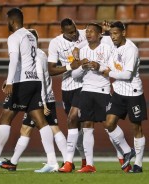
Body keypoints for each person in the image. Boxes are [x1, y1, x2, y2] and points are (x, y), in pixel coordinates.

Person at [0, 8, 58, 173]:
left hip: (23, 83)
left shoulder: (14, 37)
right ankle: (52, 161)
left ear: (12, 21)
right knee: (41, 121)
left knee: (5, 117)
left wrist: (11, 81)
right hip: (34, 82)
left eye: (7, 21)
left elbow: (13, 60)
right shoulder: (30, 36)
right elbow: (26, 59)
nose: (7, 24)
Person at [0, 29, 67, 173]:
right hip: (43, 97)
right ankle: (13, 162)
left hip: (41, 98)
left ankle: (62, 161)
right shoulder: (36, 55)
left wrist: (42, 102)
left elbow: (40, 79)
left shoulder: (37, 56)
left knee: (51, 128)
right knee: (30, 128)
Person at [102, 21, 147, 173]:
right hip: (118, 92)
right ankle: (128, 151)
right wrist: (107, 30)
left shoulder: (131, 49)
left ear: (124, 33)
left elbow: (127, 75)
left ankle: (138, 164)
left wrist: (108, 73)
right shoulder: (114, 43)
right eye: (111, 34)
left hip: (133, 93)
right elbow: (103, 37)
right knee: (109, 124)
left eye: (116, 34)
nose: (112, 37)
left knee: (136, 128)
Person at [47, 18, 87, 173]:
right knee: (75, 126)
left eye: (75, 30)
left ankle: (68, 162)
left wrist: (104, 29)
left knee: (72, 118)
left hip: (84, 85)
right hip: (67, 87)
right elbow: (51, 70)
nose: (74, 34)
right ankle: (85, 160)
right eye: (70, 33)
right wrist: (70, 66)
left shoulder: (84, 34)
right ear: (62, 31)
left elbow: (99, 37)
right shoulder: (55, 43)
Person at [71, 23, 112, 173]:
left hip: (103, 91)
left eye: (92, 31)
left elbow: (112, 70)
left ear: (100, 34)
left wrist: (98, 67)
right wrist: (82, 67)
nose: (88, 34)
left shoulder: (107, 49)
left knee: (110, 125)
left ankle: (124, 155)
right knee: (86, 125)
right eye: (87, 31)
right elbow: (74, 76)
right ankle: (89, 164)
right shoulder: (82, 51)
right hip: (86, 90)